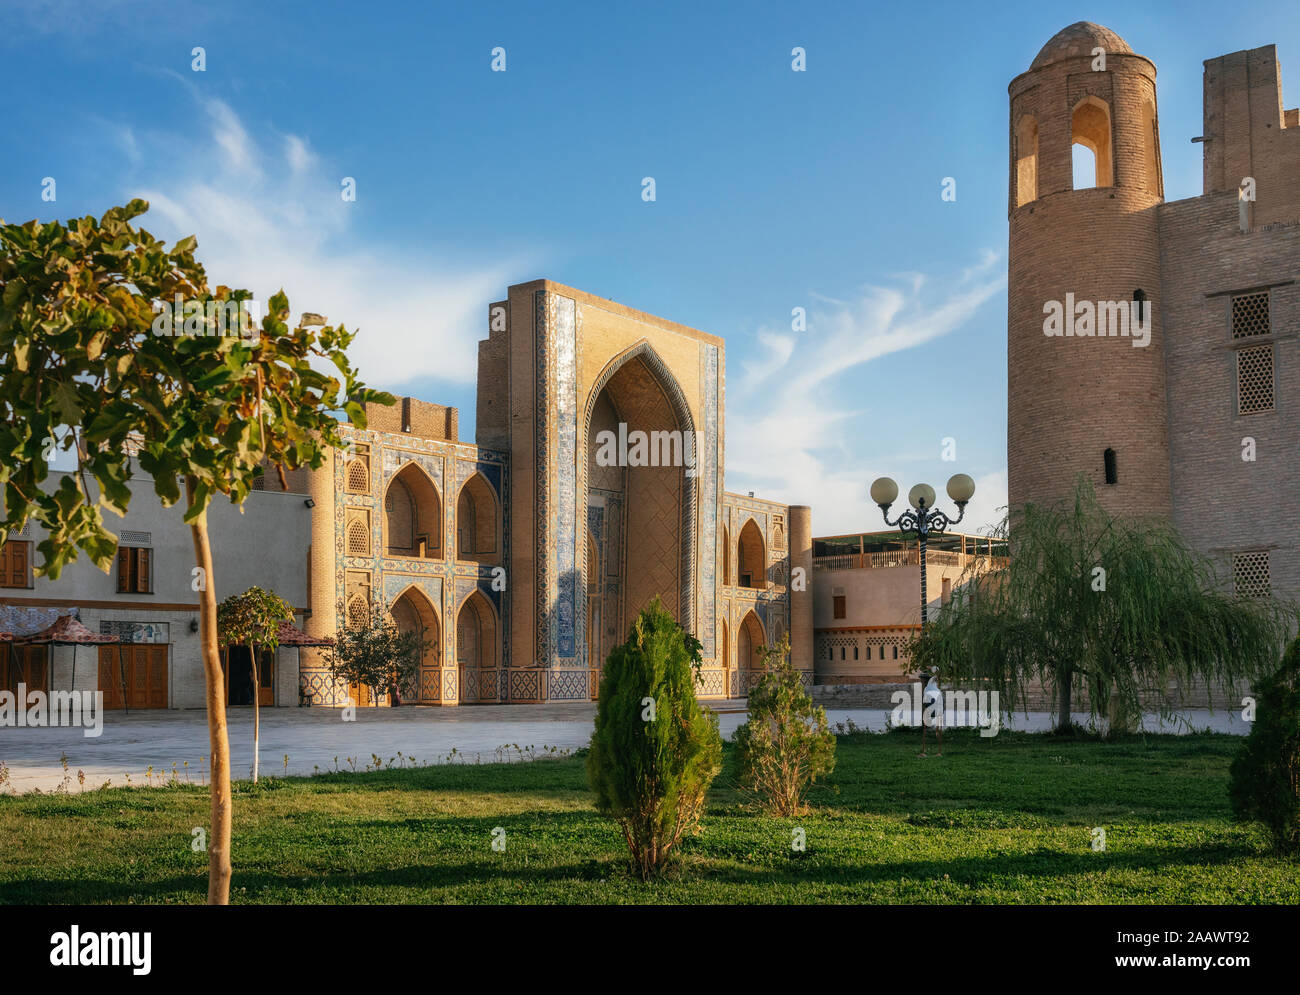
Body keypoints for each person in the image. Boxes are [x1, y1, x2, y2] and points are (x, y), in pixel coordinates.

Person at [919, 666, 943, 758]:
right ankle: (936, 752)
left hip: (933, 708)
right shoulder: (935, 689)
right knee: (931, 727)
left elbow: (937, 675)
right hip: (933, 708)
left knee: (929, 727)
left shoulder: (930, 688)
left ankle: (926, 752)